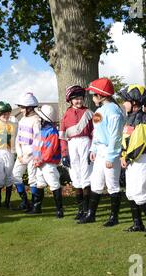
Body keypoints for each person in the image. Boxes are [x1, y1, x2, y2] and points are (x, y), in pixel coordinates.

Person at [78, 78, 125, 226]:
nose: (92, 97)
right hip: (100, 151)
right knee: (96, 182)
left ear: (101, 95)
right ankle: (91, 214)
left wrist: (111, 157)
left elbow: (115, 136)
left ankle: (114, 217)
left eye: (93, 94)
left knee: (112, 185)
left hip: (111, 151)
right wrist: (93, 148)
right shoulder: (98, 111)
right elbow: (97, 132)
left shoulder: (114, 112)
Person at [119, 84, 146, 236]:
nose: (123, 103)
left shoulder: (142, 118)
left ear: (134, 102)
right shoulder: (131, 117)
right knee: (130, 192)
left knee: (139, 192)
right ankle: (138, 224)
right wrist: (122, 155)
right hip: (131, 160)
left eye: (125, 100)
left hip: (140, 159)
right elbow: (126, 140)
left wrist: (127, 157)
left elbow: (139, 144)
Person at [59, 85, 94, 220]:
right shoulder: (66, 115)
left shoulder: (90, 113)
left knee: (86, 175)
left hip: (86, 143)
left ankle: (87, 210)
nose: (78, 101)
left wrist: (93, 149)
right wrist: (63, 154)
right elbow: (62, 137)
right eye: (75, 99)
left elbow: (95, 132)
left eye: (80, 98)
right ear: (70, 100)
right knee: (75, 176)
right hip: (72, 145)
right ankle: (80, 210)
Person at [29, 105, 64, 218]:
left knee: (54, 184)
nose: (39, 119)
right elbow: (36, 146)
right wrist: (36, 159)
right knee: (40, 184)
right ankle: (37, 207)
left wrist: (40, 160)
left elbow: (50, 150)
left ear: (45, 118)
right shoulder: (42, 130)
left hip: (48, 164)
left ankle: (59, 210)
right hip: (40, 163)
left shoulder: (52, 132)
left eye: (40, 117)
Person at [12, 92, 41, 211]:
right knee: (15, 175)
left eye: (22, 107)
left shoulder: (37, 120)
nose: (21, 109)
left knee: (33, 179)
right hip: (22, 154)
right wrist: (19, 154)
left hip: (32, 154)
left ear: (30, 107)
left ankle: (35, 205)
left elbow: (38, 139)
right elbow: (18, 138)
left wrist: (30, 154)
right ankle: (25, 202)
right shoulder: (22, 119)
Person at [0, 101, 16, 208]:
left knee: (9, 175)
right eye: (3, 114)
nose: (6, 116)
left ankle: (7, 201)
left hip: (9, 152)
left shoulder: (13, 125)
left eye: (7, 114)